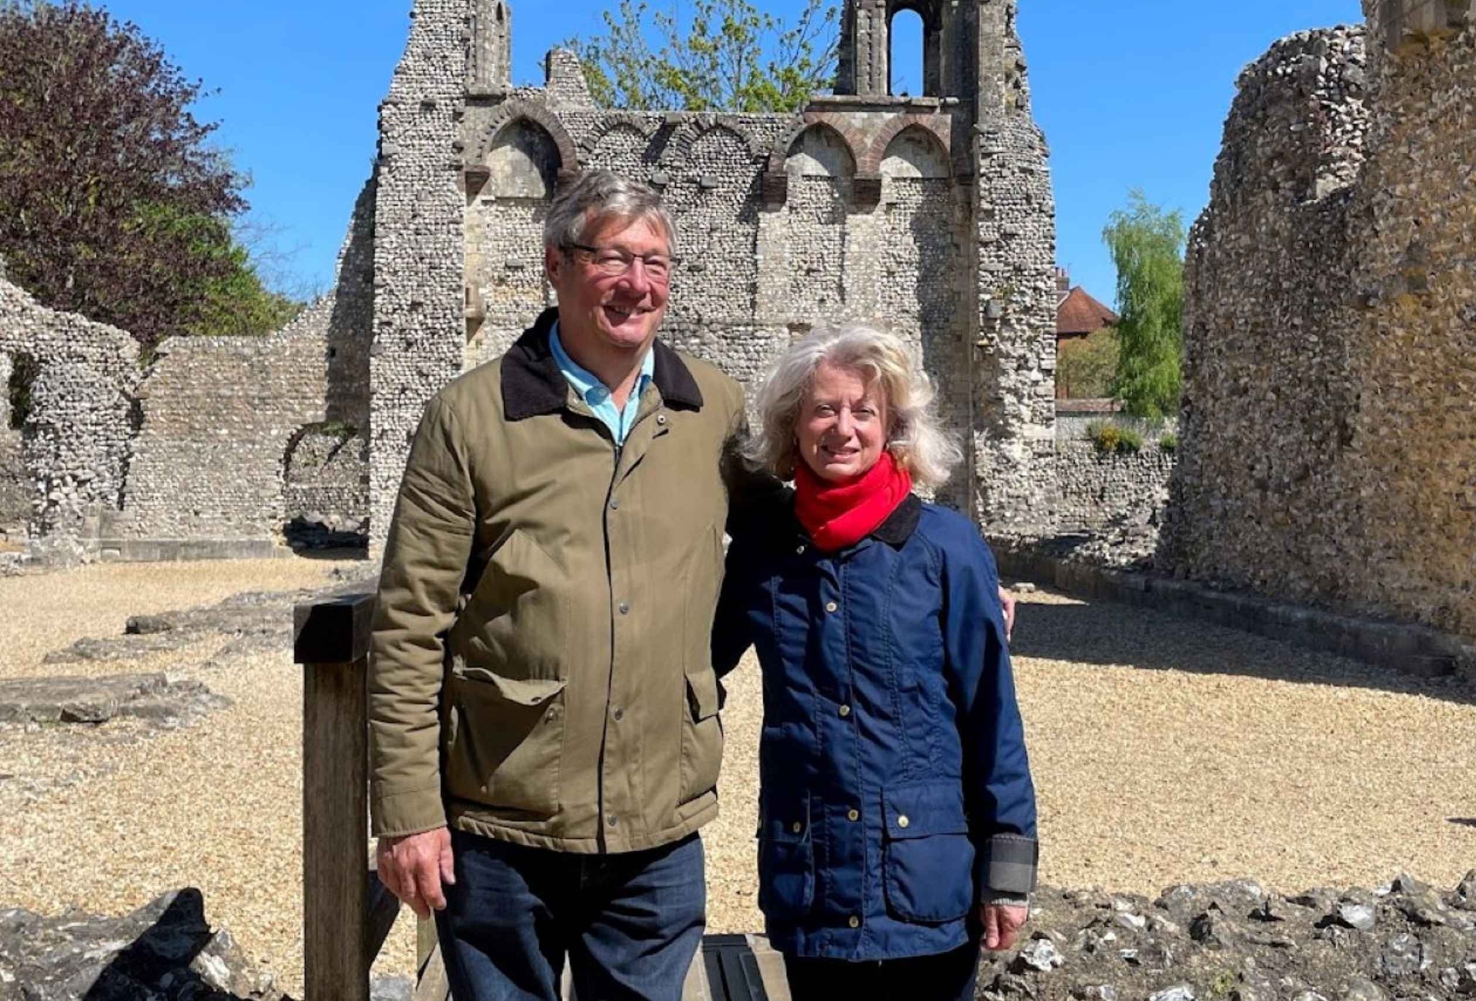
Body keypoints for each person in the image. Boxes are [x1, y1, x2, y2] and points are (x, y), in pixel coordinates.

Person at [367, 170, 759, 1001]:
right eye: (612, 258)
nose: (638, 284)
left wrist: (953, 572)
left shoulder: (712, 409)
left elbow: (799, 533)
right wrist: (407, 812)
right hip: (504, 819)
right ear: (555, 264)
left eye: (655, 262)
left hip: (657, 825)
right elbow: (408, 626)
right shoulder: (471, 418)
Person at [711, 323, 1039, 1001]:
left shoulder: (948, 549)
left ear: (892, 427)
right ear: (793, 425)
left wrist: (1007, 874)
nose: (843, 428)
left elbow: (992, 718)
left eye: (863, 411)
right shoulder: (763, 554)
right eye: (823, 409)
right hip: (813, 882)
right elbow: (691, 657)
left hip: (926, 889)